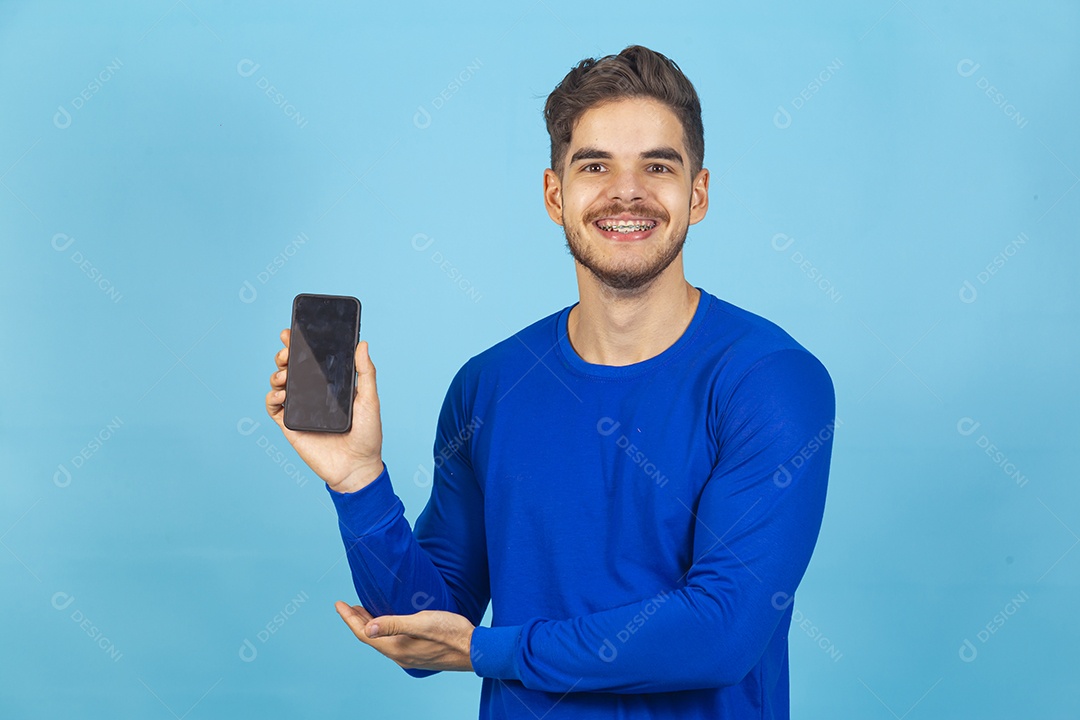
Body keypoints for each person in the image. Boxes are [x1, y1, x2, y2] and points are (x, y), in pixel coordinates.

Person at [265, 44, 835, 720]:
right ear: (554, 193)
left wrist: (491, 651)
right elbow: (425, 633)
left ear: (699, 194)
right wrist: (357, 481)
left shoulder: (770, 381)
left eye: (658, 165)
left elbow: (720, 633)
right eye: (595, 166)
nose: (627, 191)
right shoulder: (489, 386)